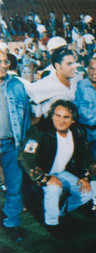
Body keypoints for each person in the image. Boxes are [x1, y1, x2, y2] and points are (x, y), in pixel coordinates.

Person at [19, 100, 94, 233]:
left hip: (62, 172)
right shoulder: (39, 130)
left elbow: (85, 155)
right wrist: (43, 177)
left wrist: (84, 176)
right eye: (57, 115)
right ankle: (52, 224)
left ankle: (61, 209)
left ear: (73, 120)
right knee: (54, 188)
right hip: (43, 172)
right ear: (51, 116)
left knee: (87, 192)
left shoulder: (78, 132)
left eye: (66, 117)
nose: (61, 120)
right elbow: (26, 157)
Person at [0, 50, 31, 241]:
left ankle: (11, 223)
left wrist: (23, 144)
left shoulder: (17, 86)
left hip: (12, 144)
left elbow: (26, 117)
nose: (6, 65)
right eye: (1, 62)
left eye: (6, 62)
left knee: (14, 185)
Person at [74, 57, 96, 161]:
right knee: (82, 163)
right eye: (92, 68)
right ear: (88, 69)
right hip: (83, 132)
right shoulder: (79, 87)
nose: (94, 72)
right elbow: (74, 111)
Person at [28, 47, 78, 118]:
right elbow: (26, 95)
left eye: (74, 63)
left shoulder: (76, 78)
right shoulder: (46, 83)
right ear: (57, 66)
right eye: (69, 64)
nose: (74, 67)